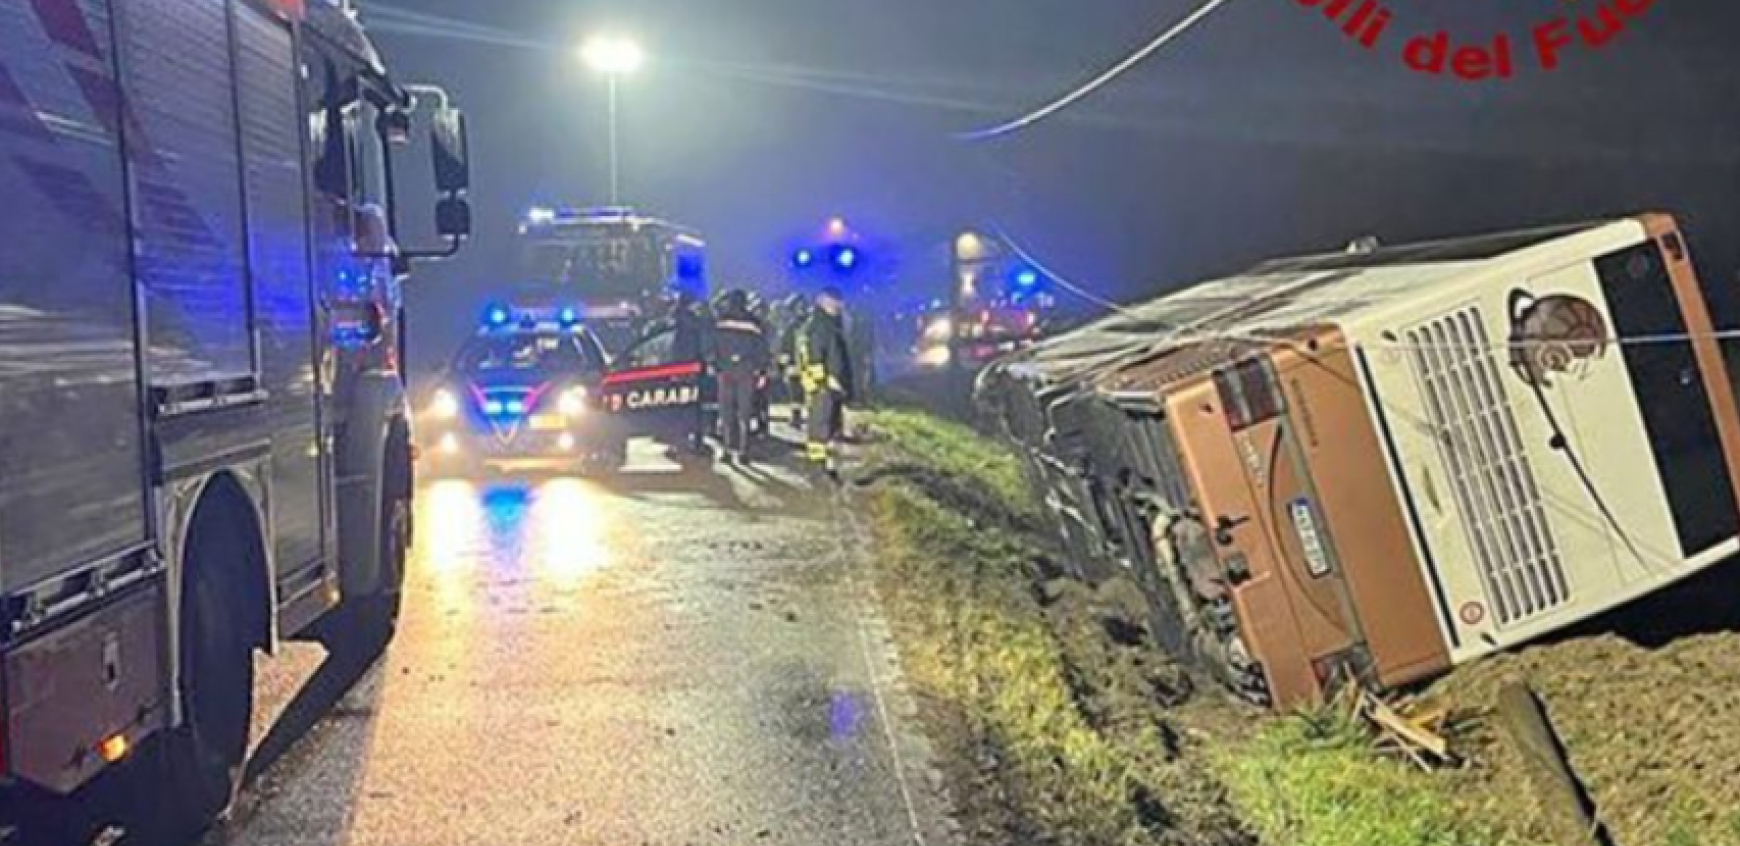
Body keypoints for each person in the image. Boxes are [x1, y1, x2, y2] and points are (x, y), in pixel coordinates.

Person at [797, 287, 855, 480]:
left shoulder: (825, 323)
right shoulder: (820, 326)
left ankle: (824, 464)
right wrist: (824, 381)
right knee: (820, 426)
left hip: (825, 384)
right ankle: (816, 467)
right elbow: (815, 356)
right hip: (822, 385)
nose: (838, 305)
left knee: (827, 424)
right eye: (833, 301)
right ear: (821, 300)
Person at [710, 289, 771, 465]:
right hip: (747, 371)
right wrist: (762, 372)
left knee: (726, 412)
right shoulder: (754, 323)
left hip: (725, 371)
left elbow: (712, 348)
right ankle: (744, 451)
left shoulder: (720, 322)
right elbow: (762, 350)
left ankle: (727, 450)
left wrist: (715, 366)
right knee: (745, 413)